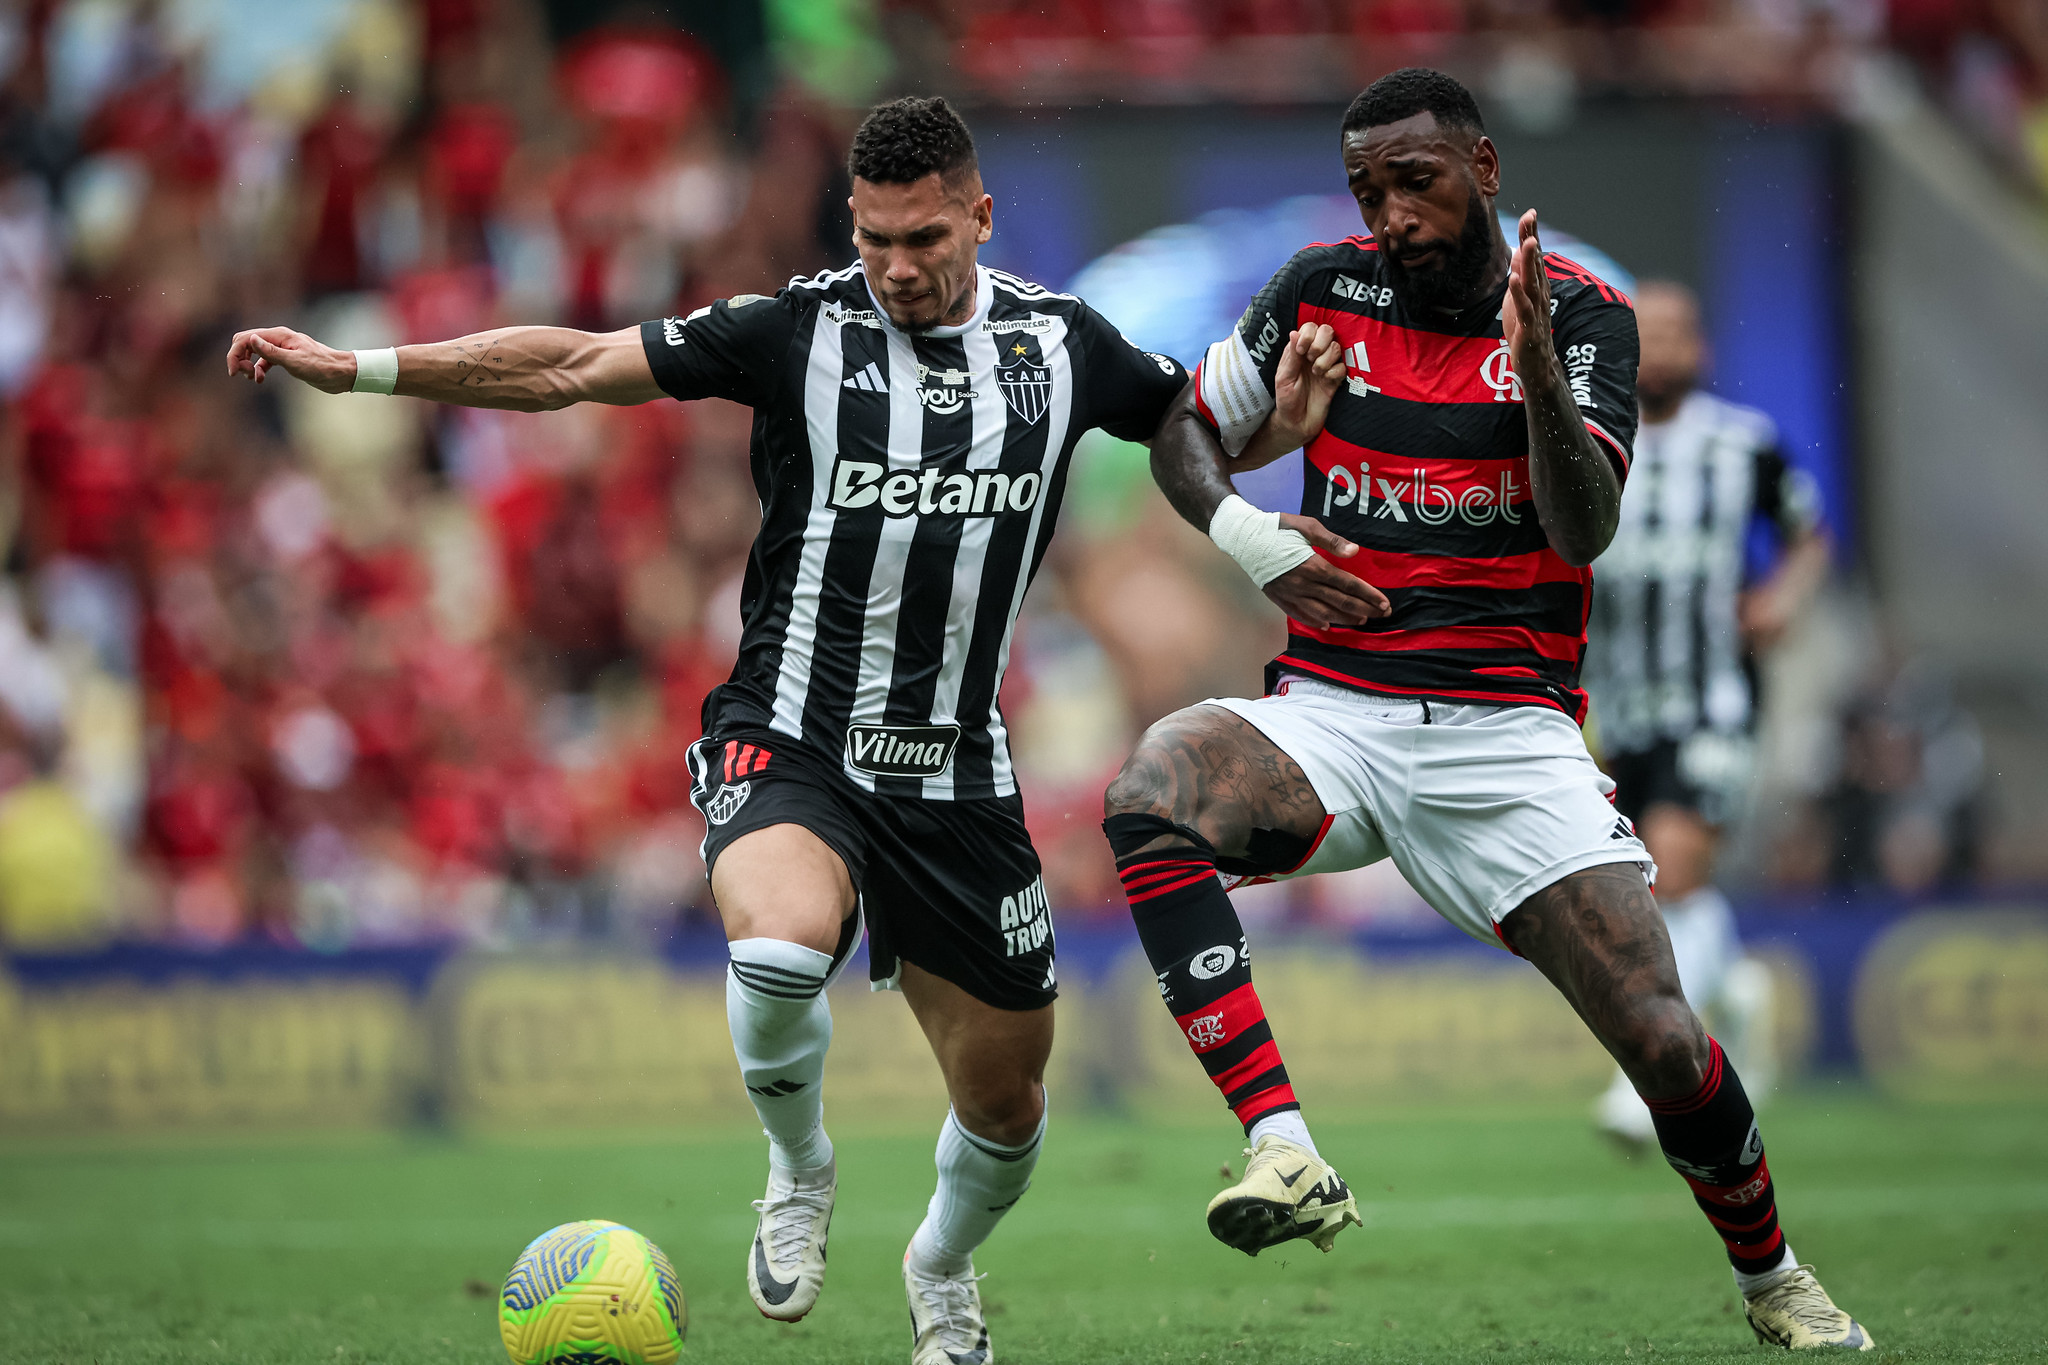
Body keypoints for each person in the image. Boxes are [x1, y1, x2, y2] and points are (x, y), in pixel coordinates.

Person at [227, 96, 1242, 1365]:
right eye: (873, 239)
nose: (896, 267)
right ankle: (798, 1166)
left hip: (957, 768)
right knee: (774, 949)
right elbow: (570, 365)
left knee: (1008, 1105)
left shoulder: (1065, 344)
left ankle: (939, 1270)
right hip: (790, 728)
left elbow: (1191, 422)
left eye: (924, 239)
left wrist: (1274, 497)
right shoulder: (795, 329)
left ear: (979, 219)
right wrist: (367, 369)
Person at [1101, 68, 1873, 1351]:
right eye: (1367, 188)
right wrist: (1252, 537)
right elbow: (1185, 431)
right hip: (1335, 710)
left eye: (1413, 180)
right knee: (1155, 789)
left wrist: (1538, 387)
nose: (1390, 214)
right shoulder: (1318, 292)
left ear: (1482, 169)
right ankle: (1282, 1147)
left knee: (1663, 1044)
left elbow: (1585, 525)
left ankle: (1772, 1278)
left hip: (1507, 734)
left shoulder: (1580, 323)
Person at [1580, 280, 1829, 1151]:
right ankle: (1739, 998)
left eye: (1682, 330)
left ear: (1704, 349)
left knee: (1675, 866)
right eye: (1650, 332)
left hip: (1714, 697)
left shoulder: (1743, 445)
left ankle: (1638, 1077)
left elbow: (1809, 532)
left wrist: (1784, 596)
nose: (1667, 345)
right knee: (1640, 890)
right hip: (1615, 708)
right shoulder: (1592, 442)